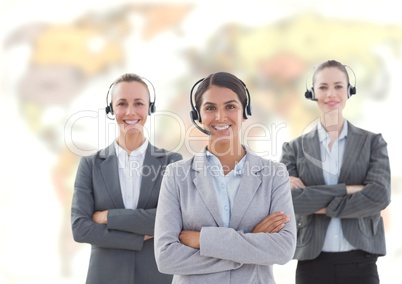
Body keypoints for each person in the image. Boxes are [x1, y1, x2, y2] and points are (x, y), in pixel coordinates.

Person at [154, 72, 296, 283]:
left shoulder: (274, 174)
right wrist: (251, 245)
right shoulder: (176, 175)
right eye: (210, 108)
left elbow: (283, 250)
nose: (220, 117)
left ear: (245, 112)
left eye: (230, 106)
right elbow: (166, 258)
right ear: (198, 116)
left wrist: (203, 239)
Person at [280, 60, 391, 284]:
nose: (331, 93)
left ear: (349, 91)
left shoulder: (373, 143)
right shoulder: (293, 149)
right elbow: (288, 202)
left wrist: (314, 201)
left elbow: (379, 196)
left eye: (339, 86)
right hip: (312, 264)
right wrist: (350, 190)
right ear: (312, 93)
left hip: (362, 261)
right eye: (323, 87)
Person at [71, 73, 183, 284]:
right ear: (111, 109)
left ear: (150, 108)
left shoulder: (172, 162)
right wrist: (137, 239)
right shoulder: (90, 165)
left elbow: (172, 221)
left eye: (138, 103)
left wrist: (107, 217)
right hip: (104, 276)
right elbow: (80, 228)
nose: (130, 112)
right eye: (122, 103)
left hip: (157, 276)